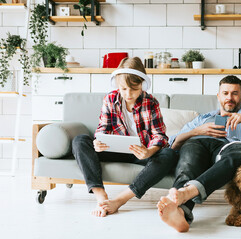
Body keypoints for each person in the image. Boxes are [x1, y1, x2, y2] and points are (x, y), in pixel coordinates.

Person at [156, 75, 241, 232]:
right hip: (198, 144)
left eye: (234, 93)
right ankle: (180, 212)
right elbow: (174, 143)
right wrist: (197, 131)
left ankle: (187, 192)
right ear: (218, 96)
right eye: (225, 93)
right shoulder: (203, 118)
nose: (229, 98)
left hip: (229, 148)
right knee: (188, 161)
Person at [72, 57, 177, 217]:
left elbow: (160, 135)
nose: (128, 94)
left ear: (142, 84)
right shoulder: (110, 99)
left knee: (169, 154)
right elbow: (102, 128)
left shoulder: (150, 102)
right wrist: (98, 142)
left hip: (140, 154)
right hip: (114, 150)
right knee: (80, 140)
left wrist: (149, 151)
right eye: (124, 89)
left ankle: (119, 200)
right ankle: (101, 196)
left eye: (134, 89)